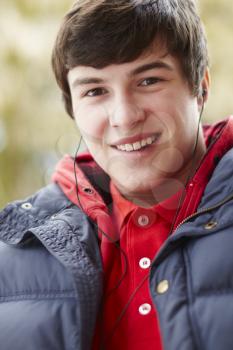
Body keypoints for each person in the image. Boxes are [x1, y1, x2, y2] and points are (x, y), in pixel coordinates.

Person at [1, 0, 233, 349]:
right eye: (95, 91)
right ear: (73, 108)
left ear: (200, 87)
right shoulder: (16, 250)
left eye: (149, 80)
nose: (124, 116)